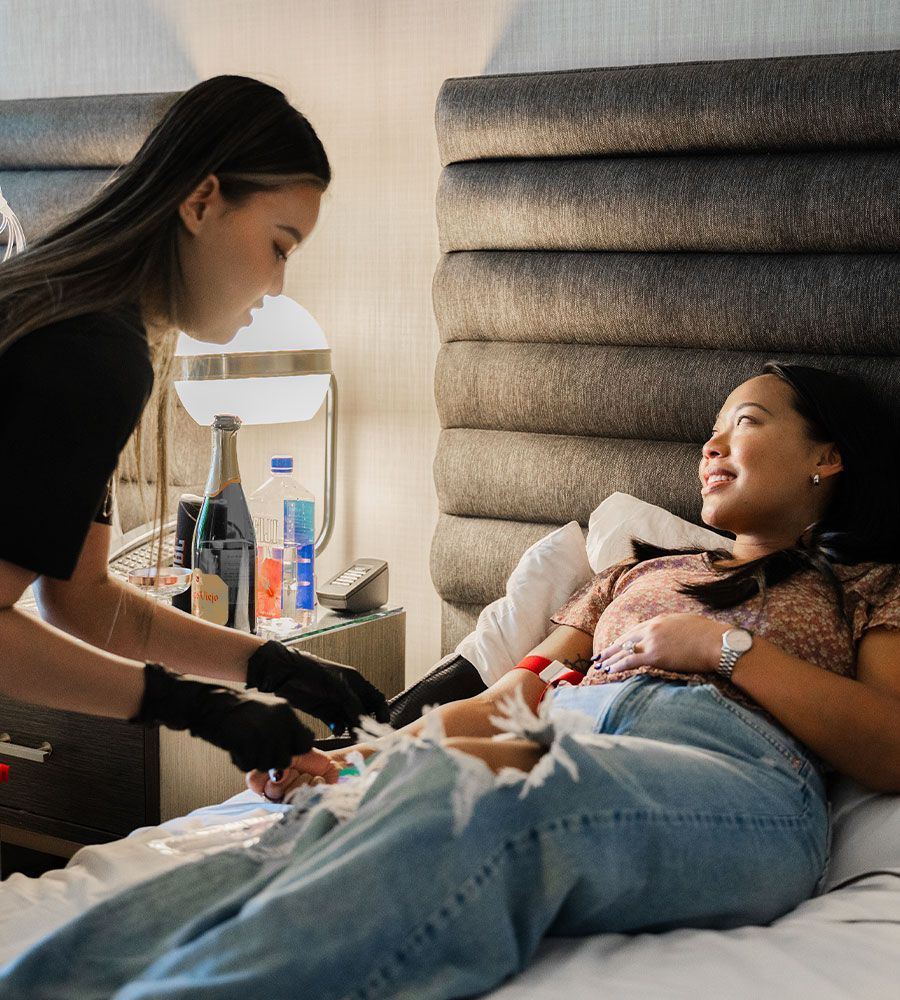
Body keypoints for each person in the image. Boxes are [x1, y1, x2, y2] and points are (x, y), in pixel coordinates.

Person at [1, 363, 899, 1000]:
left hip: (734, 777)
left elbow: (890, 749)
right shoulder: (633, 573)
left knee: (510, 790)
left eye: (744, 420)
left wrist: (722, 650)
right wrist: (355, 763)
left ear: (827, 456)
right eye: (710, 427)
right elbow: (520, 695)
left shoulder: (868, 588)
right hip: (570, 732)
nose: (709, 443)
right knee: (315, 832)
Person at [0, 76, 388, 777]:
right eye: (280, 244)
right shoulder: (87, 352)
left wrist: (270, 665)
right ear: (203, 201)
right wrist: (197, 708)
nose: (276, 285)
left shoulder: (77, 310)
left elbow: (81, 600)